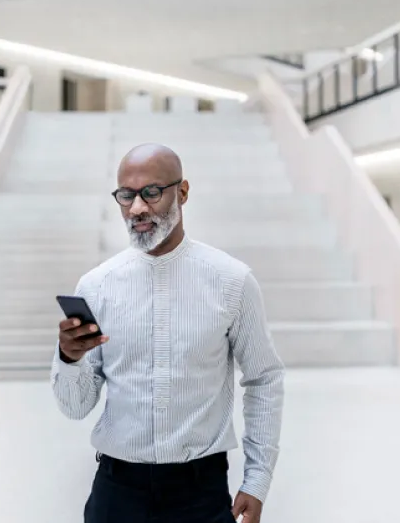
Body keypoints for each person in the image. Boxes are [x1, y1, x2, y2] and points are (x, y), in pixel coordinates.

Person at [52, 143, 285, 523]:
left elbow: (264, 379)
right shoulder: (96, 286)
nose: (138, 208)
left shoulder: (232, 281)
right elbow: (75, 407)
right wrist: (69, 359)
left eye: (152, 192)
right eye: (126, 196)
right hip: (116, 491)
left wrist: (257, 480)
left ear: (183, 192)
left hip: (200, 493)